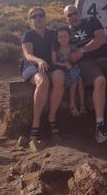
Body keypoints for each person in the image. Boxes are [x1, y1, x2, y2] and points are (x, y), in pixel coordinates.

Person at [64, 4, 107, 143]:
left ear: (79, 13)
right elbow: (63, 50)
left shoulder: (91, 21)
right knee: (100, 81)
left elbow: (100, 39)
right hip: (87, 63)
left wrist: (81, 51)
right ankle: (100, 126)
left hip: (105, 58)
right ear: (66, 19)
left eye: (75, 12)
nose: (73, 16)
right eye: (69, 15)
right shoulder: (67, 33)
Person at [21, 7, 65, 142]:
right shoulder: (28, 35)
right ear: (31, 20)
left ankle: (52, 119)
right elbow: (28, 55)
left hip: (50, 65)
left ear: (45, 17)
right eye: (34, 16)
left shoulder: (52, 34)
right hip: (32, 66)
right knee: (43, 81)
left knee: (59, 77)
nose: (38, 18)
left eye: (41, 15)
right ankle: (36, 123)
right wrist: (39, 61)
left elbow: (62, 46)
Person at [51, 26, 86, 117]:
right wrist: (64, 64)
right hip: (64, 71)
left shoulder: (73, 47)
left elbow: (78, 57)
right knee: (75, 79)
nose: (63, 39)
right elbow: (54, 61)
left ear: (69, 37)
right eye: (60, 37)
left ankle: (82, 103)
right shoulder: (56, 49)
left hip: (74, 68)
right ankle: (72, 104)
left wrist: (75, 58)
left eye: (65, 36)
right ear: (57, 38)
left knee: (80, 80)